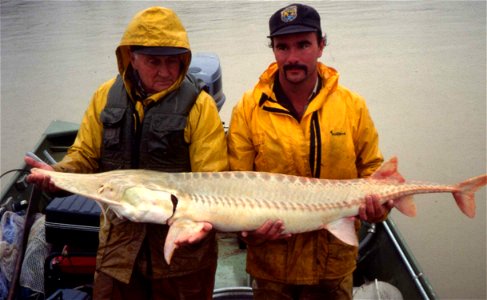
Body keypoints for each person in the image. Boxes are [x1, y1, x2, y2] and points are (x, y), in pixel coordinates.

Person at [25, 6, 228, 300]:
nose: (165, 71)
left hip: (182, 259)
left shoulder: (200, 105)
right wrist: (58, 175)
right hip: (118, 253)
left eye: (173, 61)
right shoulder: (106, 97)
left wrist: (199, 225)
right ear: (131, 56)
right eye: (153, 61)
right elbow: (85, 155)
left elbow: (212, 182)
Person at [227, 3, 393, 299]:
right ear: (273, 50)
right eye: (282, 47)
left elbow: (372, 171)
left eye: (303, 45)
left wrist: (379, 208)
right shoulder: (248, 109)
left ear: (321, 45)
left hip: (333, 264)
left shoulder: (352, 106)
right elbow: (235, 185)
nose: (292, 57)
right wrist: (247, 232)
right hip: (271, 266)